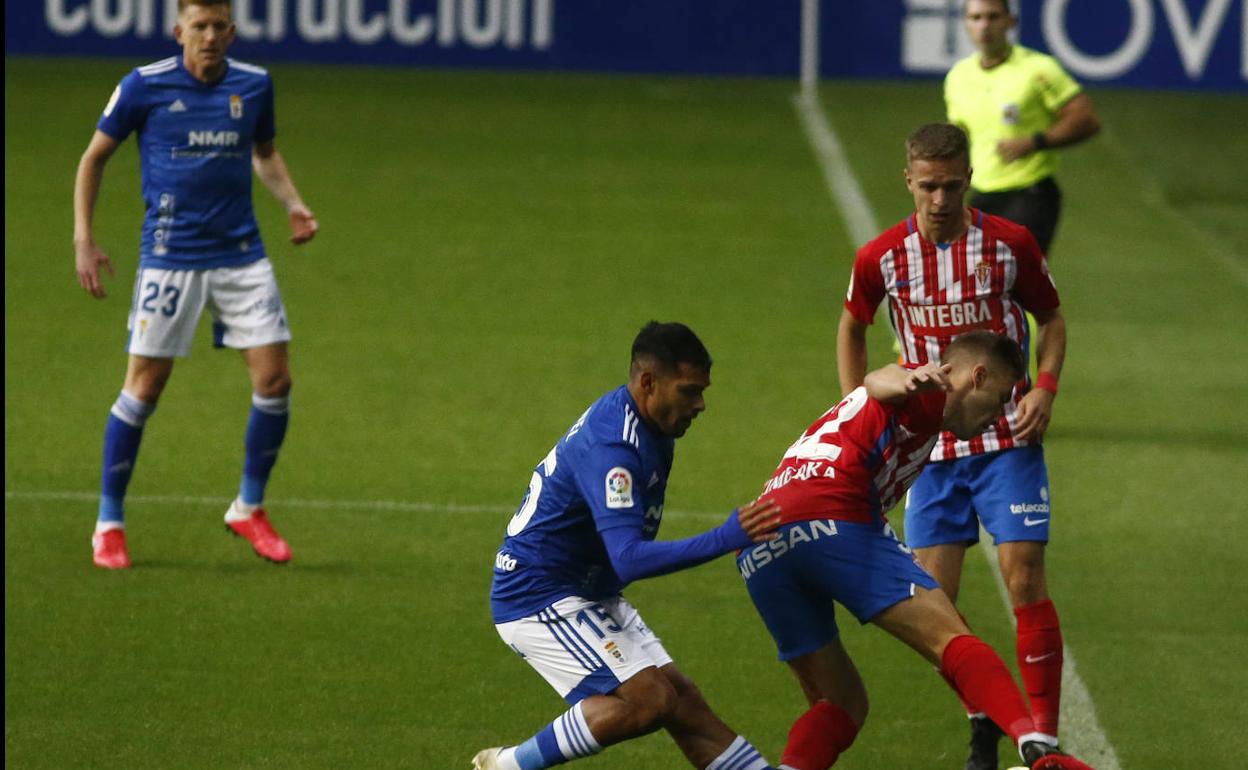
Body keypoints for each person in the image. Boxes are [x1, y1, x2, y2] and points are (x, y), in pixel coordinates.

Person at [739, 333, 1092, 770]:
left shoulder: (910, 417)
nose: (1000, 414)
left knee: (842, 703)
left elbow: (873, 392)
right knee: (951, 638)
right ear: (977, 377)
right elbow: (878, 380)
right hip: (830, 512)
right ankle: (1034, 747)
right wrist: (908, 380)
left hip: (759, 542)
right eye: (1001, 397)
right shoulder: (930, 396)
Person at [837, 123, 1069, 770]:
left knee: (1024, 571)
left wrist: (1043, 389)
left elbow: (1050, 318)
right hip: (929, 448)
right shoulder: (882, 256)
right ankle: (985, 721)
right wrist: (860, 409)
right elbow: (852, 326)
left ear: (969, 180)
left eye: (953, 185)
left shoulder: (1009, 245)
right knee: (937, 613)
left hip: (1005, 435)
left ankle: (1042, 740)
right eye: (929, 185)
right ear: (909, 180)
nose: (941, 198)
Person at [74, 0, 318, 569]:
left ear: (231, 32)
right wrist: (84, 239)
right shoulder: (143, 86)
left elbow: (265, 153)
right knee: (145, 386)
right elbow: (94, 159)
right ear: (178, 30)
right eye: (198, 26)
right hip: (170, 258)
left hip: (241, 255)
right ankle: (109, 522)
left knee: (276, 379)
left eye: (217, 27)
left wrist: (294, 204)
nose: (208, 36)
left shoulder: (254, 87)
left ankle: (248, 508)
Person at [473, 322, 782, 770]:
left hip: (587, 589)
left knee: (682, 700)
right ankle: (508, 767)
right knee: (651, 700)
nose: (700, 405)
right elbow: (629, 557)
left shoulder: (650, 422)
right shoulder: (613, 448)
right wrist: (726, 536)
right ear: (648, 382)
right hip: (537, 593)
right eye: (690, 391)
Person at [946, 0, 1101, 256]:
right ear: (965, 23)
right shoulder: (958, 77)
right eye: (976, 18)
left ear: (1010, 21)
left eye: (993, 17)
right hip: (983, 194)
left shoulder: (1038, 69)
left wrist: (1035, 142)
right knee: (974, 282)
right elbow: (960, 134)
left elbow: (1086, 119)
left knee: (1015, 281)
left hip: (1030, 194)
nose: (984, 26)